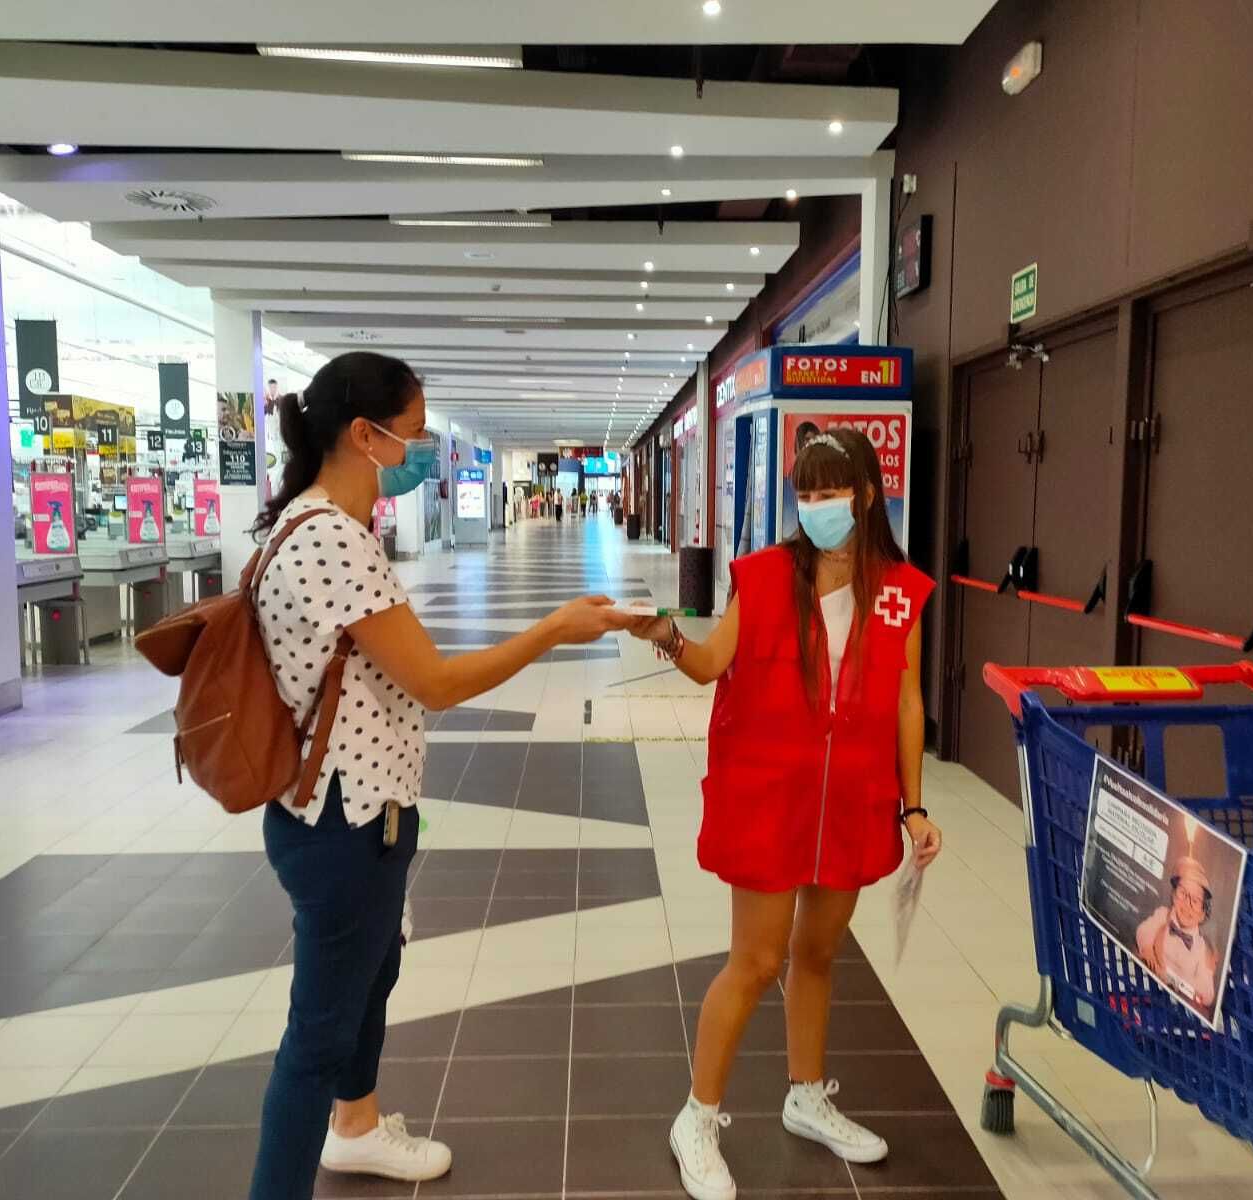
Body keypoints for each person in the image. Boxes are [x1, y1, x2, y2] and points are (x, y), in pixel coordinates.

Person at [247, 351, 633, 1200]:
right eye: (414, 436)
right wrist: (552, 630)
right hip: (341, 823)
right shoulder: (330, 541)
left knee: (372, 975)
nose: (424, 453)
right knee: (316, 1034)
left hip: (360, 809)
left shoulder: (324, 528)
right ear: (364, 435)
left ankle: (354, 1129)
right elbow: (437, 682)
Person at [630, 428, 941, 1200]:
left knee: (819, 956)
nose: (817, 506)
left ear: (867, 495)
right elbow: (709, 665)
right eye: (806, 492)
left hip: (853, 803)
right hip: (771, 800)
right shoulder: (764, 577)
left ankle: (806, 1095)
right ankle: (696, 1117)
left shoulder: (900, 588)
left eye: (831, 491)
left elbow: (907, 700)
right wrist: (666, 633)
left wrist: (915, 807)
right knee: (757, 961)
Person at [1135, 855, 1219, 1013]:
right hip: (1149, 989)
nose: (1187, 904)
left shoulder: (1202, 948)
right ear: (1173, 896)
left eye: (1195, 901)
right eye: (1182, 893)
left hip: (1180, 1005)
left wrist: (1177, 981)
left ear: (1203, 913)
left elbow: (1207, 993)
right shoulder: (1163, 915)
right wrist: (1147, 948)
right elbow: (1143, 930)